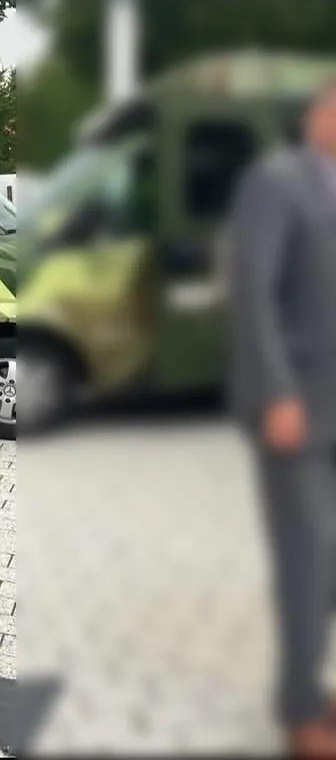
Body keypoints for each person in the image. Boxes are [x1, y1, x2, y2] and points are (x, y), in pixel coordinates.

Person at [225, 82, 336, 758]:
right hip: (293, 407)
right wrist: (277, 395)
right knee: (307, 557)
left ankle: (316, 685)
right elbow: (252, 292)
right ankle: (299, 709)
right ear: (318, 114)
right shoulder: (277, 181)